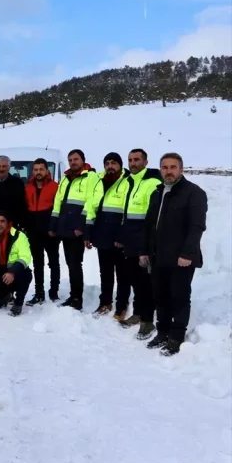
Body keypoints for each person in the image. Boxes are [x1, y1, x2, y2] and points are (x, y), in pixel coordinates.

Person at [141, 152, 207, 356]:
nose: (168, 171)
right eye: (165, 167)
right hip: (158, 256)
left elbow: (197, 227)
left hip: (181, 258)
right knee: (160, 296)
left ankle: (176, 337)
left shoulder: (193, 193)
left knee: (178, 297)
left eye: (173, 167)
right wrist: (145, 251)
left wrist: (187, 253)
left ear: (181, 169)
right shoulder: (157, 193)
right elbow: (149, 226)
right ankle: (162, 332)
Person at [118, 148, 162, 335]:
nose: (133, 163)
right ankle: (138, 313)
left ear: (145, 161)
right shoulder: (131, 181)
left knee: (145, 282)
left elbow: (153, 217)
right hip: (130, 242)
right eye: (130, 160)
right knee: (135, 280)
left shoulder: (152, 182)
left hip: (144, 242)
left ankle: (147, 320)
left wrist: (148, 244)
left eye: (137, 159)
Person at [49, 149, 100, 310]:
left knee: (75, 263)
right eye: (70, 160)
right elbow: (58, 201)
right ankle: (73, 295)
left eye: (76, 159)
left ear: (83, 160)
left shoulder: (91, 177)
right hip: (64, 227)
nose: (73, 162)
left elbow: (93, 201)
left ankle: (77, 298)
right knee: (70, 263)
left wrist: (81, 225)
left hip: (76, 229)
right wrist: (53, 223)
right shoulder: (65, 178)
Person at [88, 152, 132, 317]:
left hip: (119, 237)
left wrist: (123, 236)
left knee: (122, 274)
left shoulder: (128, 181)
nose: (110, 166)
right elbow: (91, 206)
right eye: (107, 163)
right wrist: (88, 233)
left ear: (120, 165)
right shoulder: (99, 181)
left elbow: (128, 211)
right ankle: (105, 303)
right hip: (102, 235)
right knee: (105, 273)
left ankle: (121, 306)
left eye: (113, 163)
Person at [24, 158, 61, 305]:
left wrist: (54, 228)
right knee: (37, 263)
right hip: (34, 231)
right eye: (36, 169)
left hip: (50, 231)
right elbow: (25, 208)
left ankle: (54, 292)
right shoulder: (27, 188)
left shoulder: (55, 187)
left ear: (47, 171)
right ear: (33, 171)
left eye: (41, 169)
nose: (38, 172)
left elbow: (59, 209)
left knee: (53, 262)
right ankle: (39, 293)